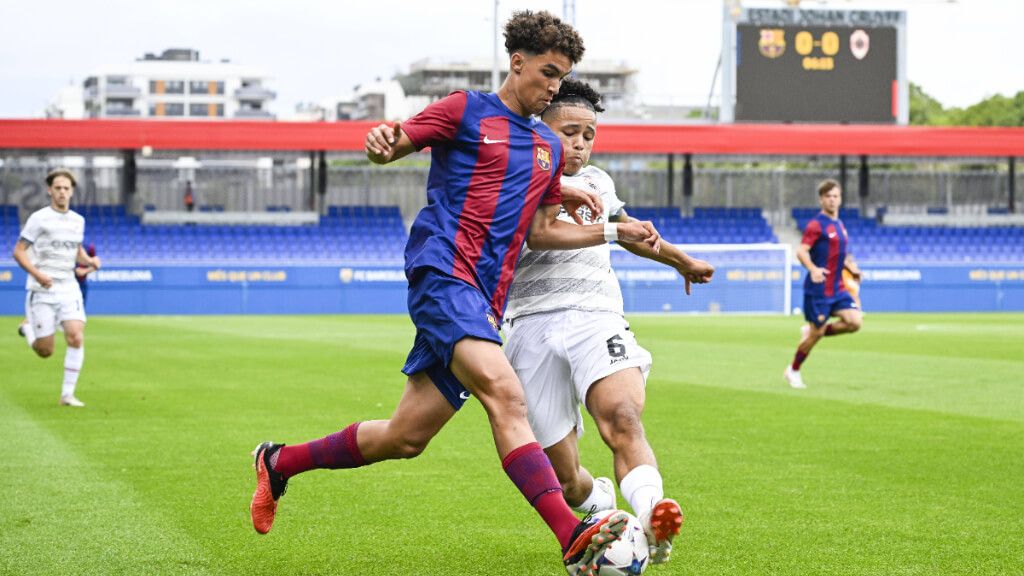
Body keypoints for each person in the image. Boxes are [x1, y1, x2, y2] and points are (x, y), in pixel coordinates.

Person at [248, 11, 664, 574]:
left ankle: (278, 462)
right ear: (517, 62)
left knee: (405, 437)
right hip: (443, 274)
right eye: (547, 73)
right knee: (506, 394)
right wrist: (380, 142)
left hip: (485, 300)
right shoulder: (465, 109)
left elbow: (542, 230)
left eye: (561, 77)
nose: (553, 87)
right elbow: (392, 146)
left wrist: (605, 225)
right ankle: (573, 536)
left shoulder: (545, 145)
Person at [503, 79, 715, 566]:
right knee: (565, 478)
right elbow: (541, 235)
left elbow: (631, 233)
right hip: (529, 325)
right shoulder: (517, 175)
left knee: (622, 416)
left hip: (596, 318)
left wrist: (681, 261)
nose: (580, 144)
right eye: (569, 132)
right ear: (541, 131)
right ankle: (597, 500)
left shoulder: (599, 181)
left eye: (589, 135)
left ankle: (651, 515)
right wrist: (614, 230)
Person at [13, 168, 102, 407]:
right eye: (58, 188)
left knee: (76, 336)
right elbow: (18, 252)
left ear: (72, 192)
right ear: (50, 191)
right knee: (45, 351)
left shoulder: (78, 221)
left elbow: (76, 251)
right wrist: (38, 274)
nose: (62, 192)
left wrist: (90, 261)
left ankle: (67, 395)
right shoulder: (39, 219)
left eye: (66, 188)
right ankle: (28, 329)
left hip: (68, 287)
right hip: (42, 289)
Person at [784, 179, 863, 389]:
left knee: (855, 322)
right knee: (816, 335)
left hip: (838, 288)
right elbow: (801, 251)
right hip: (818, 290)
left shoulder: (840, 225)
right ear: (821, 199)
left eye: (835, 196)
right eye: (828, 196)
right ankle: (793, 370)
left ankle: (811, 331)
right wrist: (813, 269)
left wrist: (851, 268)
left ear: (840, 199)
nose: (832, 200)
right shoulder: (816, 224)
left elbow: (839, 254)